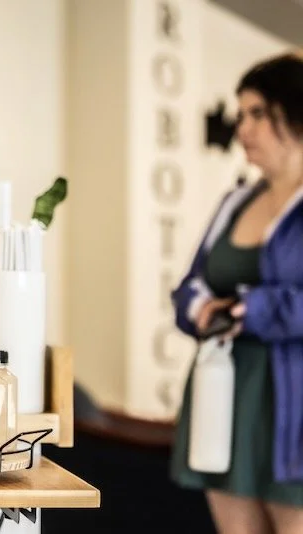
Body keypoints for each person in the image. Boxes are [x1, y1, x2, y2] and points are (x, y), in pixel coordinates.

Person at [170, 53, 303, 533]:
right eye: (240, 114)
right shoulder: (235, 201)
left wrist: (256, 309)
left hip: (293, 407)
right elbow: (189, 285)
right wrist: (201, 308)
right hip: (225, 395)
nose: (242, 128)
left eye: (257, 113)